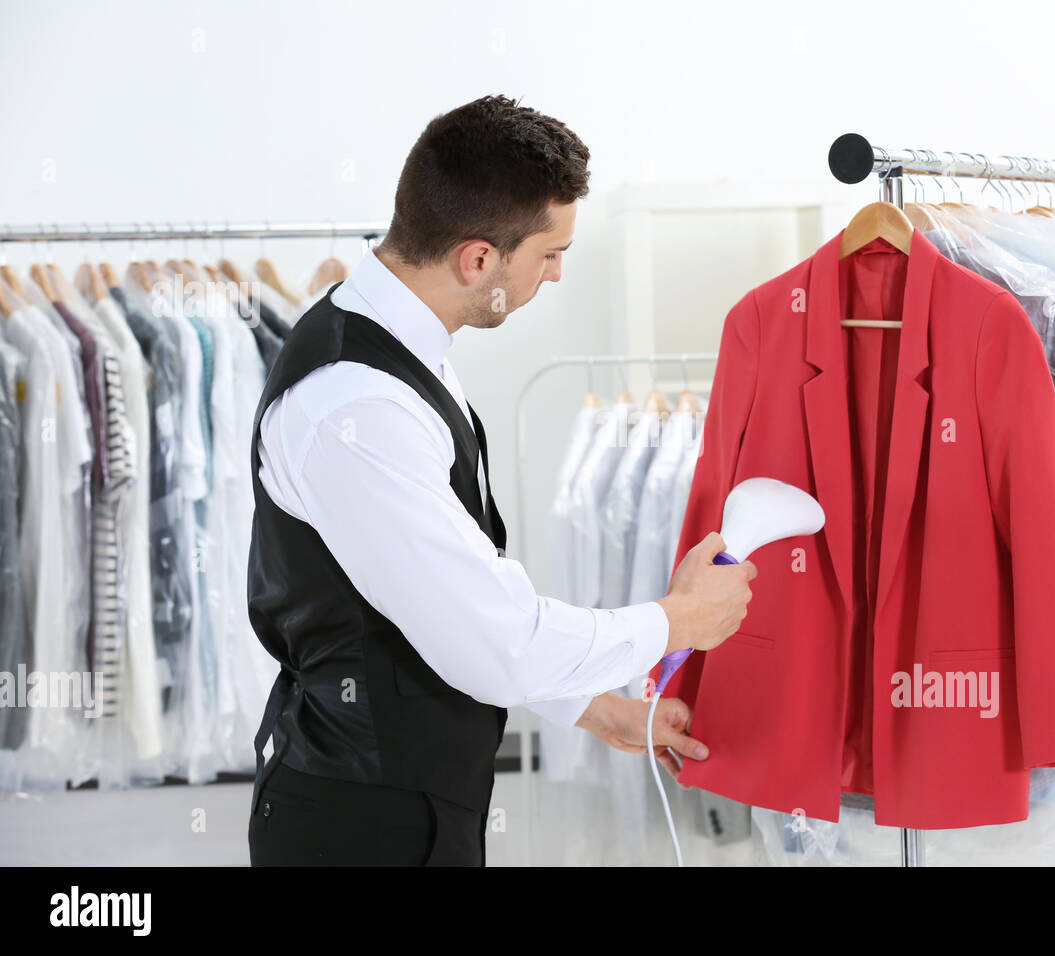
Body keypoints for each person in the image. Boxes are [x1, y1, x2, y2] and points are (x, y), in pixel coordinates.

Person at [245, 94, 756, 866]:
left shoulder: (400, 346)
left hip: (405, 803)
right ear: (478, 259)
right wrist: (676, 621)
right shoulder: (358, 406)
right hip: (359, 823)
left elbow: (446, 611)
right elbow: (496, 640)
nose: (554, 277)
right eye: (550, 255)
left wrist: (594, 708)